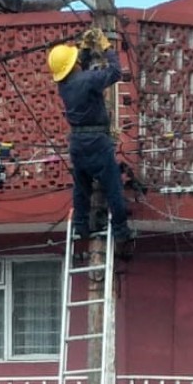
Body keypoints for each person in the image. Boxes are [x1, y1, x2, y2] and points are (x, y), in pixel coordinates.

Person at [47, 29, 135, 242]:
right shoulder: (88, 80)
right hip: (97, 141)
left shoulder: (64, 85)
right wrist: (106, 48)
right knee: (112, 185)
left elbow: (78, 70)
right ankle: (121, 231)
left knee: (82, 186)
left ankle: (80, 226)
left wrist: (84, 49)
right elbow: (115, 72)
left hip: (77, 143)